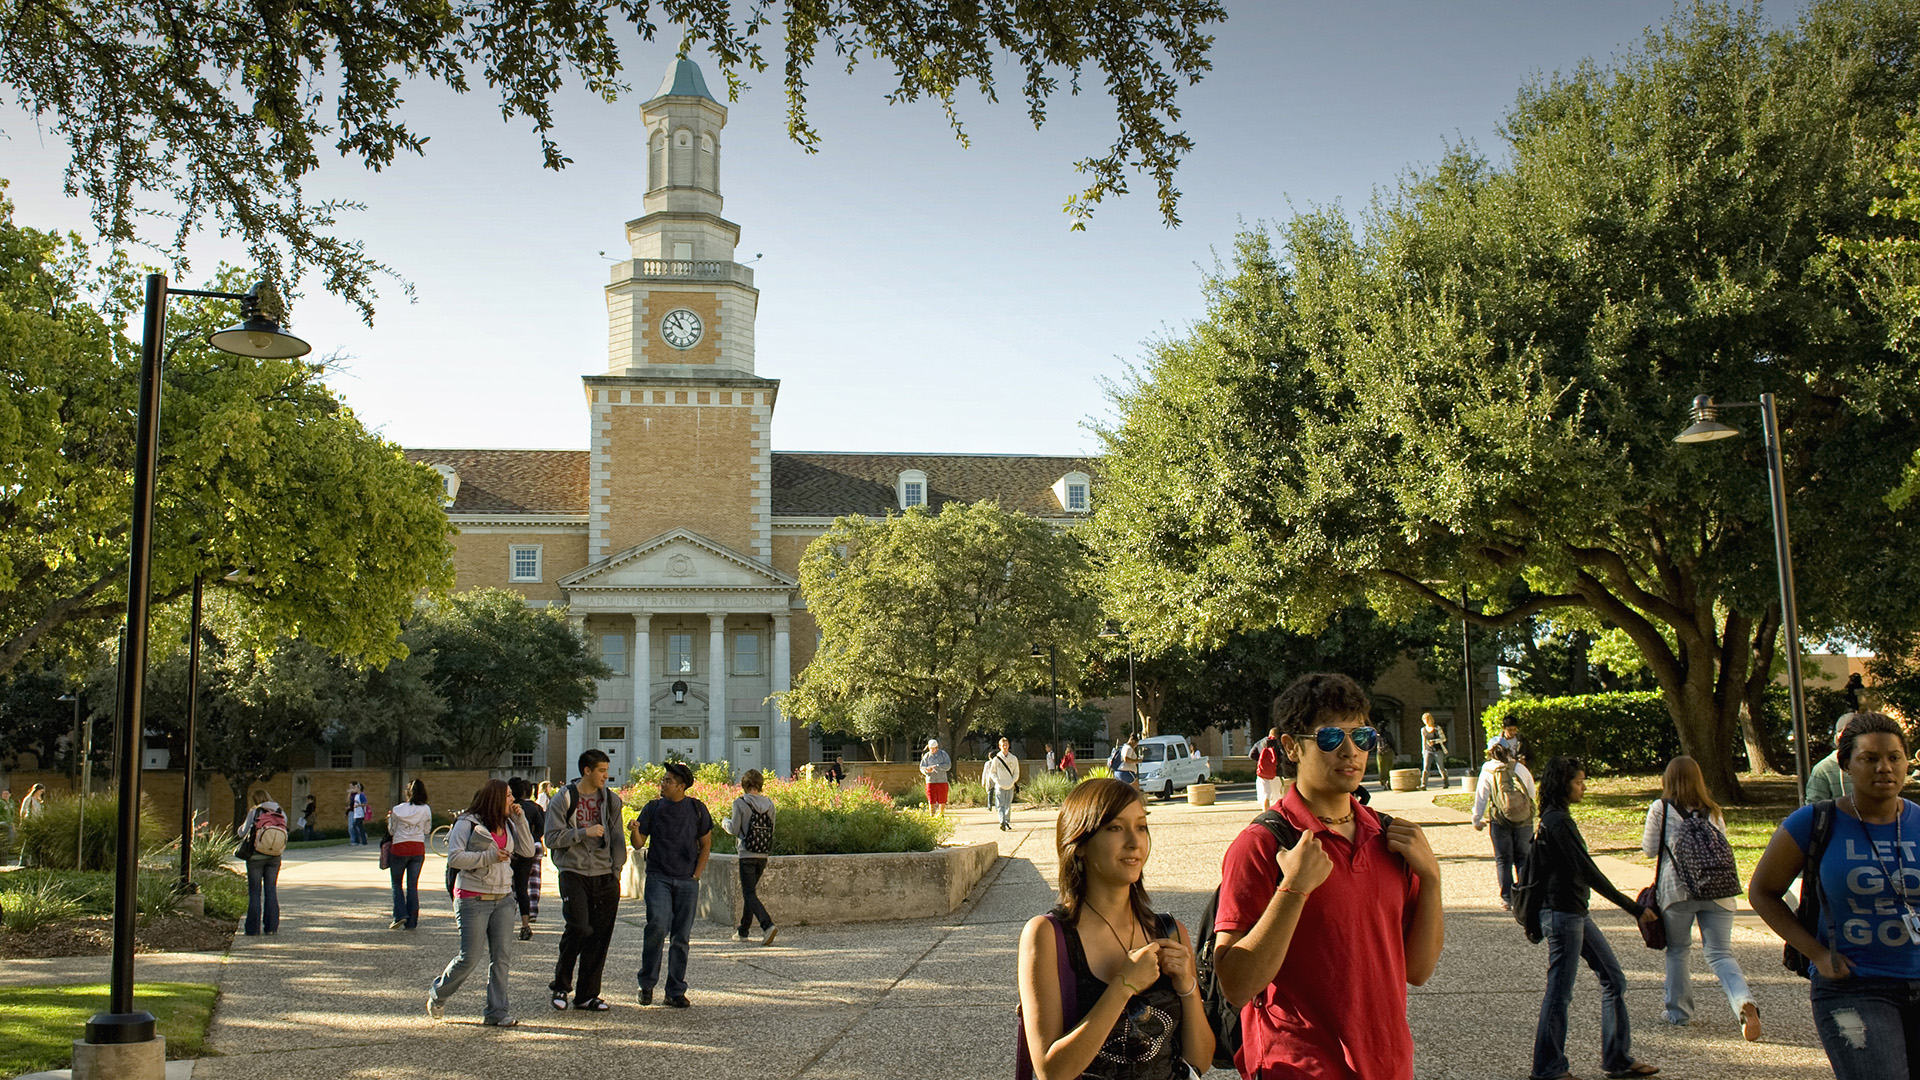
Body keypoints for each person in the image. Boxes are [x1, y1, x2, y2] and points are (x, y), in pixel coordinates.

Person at [1212, 673, 1444, 1080]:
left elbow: (1418, 970)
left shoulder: (1389, 840)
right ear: (1291, 747)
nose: (1350, 751)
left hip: (1389, 1064)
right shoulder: (1262, 846)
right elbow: (1235, 984)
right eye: (1331, 737)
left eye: (1363, 737)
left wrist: (1432, 878)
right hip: (1298, 1067)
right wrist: (1293, 889)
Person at [1751, 712, 1920, 1078]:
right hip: (1855, 988)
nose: (1885, 768)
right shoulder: (1813, 822)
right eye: (1869, 758)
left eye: (1894, 757)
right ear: (1845, 764)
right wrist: (1816, 952)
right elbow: (1762, 892)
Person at [1017, 777, 1214, 1078]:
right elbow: (1050, 1071)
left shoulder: (1170, 932)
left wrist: (1187, 986)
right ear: (1080, 843)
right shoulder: (1047, 936)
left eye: (1141, 827)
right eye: (1115, 828)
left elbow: (1198, 1062)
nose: (1134, 842)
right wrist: (1122, 987)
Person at [1531, 755, 1662, 1080]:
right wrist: (1632, 907)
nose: (1584, 786)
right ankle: (1547, 1068)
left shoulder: (1557, 818)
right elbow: (1588, 871)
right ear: (1564, 784)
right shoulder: (1558, 822)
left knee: (1614, 979)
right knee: (1559, 993)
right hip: (1563, 915)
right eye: (1578, 781)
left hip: (1574, 913)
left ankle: (1617, 1058)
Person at [1642, 755, 1758, 1040]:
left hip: (1676, 891)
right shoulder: (1713, 810)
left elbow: (1648, 849)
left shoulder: (1661, 808)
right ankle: (1743, 1001)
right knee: (1720, 953)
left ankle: (1678, 1013)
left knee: (1679, 950)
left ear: (1667, 780)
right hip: (1717, 891)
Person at [427, 779, 536, 1027]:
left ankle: (496, 1012)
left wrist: (520, 821)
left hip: (503, 899)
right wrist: (488, 856)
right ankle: (438, 993)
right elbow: (455, 858)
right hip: (472, 898)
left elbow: (528, 851)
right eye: (508, 796)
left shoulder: (509, 823)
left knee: (501, 958)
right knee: (469, 958)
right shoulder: (467, 823)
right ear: (495, 798)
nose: (513, 800)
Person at [546, 749, 628, 1012]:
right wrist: (583, 832)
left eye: (607, 770)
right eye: (602, 770)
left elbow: (617, 837)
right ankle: (561, 986)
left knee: (601, 935)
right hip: (574, 871)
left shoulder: (611, 800)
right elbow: (551, 838)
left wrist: (616, 870)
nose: (607, 775)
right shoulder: (564, 799)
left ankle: (587, 995)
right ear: (587, 771)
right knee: (579, 927)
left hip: (605, 874)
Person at [632, 760, 712, 1008]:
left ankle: (675, 990)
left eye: (668, 781)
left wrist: (696, 876)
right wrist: (634, 830)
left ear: (681, 786)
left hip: (686, 880)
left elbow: (706, 844)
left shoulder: (697, 809)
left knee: (681, 936)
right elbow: (637, 844)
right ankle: (646, 984)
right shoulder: (653, 808)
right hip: (659, 877)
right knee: (657, 925)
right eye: (663, 780)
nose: (663, 784)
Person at [1472, 742, 1536, 909]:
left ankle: (1507, 898)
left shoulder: (1488, 769)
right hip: (1524, 819)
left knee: (1503, 859)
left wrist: (1477, 819)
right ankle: (1524, 895)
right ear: (1508, 751)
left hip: (1500, 819)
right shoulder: (1520, 768)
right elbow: (1531, 792)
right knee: (1523, 857)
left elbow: (1481, 797)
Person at [722, 768, 777, 945]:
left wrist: (725, 823)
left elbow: (735, 830)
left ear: (744, 785)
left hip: (746, 853)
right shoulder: (770, 804)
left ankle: (767, 925)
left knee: (748, 892)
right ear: (760, 785)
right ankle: (743, 931)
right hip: (763, 853)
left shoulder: (740, 803)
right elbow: (772, 829)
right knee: (750, 892)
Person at [237, 788, 285, 936]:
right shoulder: (280, 811)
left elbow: (243, 832)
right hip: (275, 856)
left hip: (256, 857)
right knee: (271, 890)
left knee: (255, 892)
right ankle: (271, 927)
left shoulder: (255, 811)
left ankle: (252, 929)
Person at [387, 779, 432, 930]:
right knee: (412, 886)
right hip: (417, 847)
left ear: (407, 793)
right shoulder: (426, 809)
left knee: (396, 883)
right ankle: (412, 920)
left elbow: (392, 831)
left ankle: (400, 914)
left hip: (400, 846)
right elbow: (427, 830)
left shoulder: (397, 809)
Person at [507, 777, 546, 941]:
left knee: (508, 887)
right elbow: (542, 827)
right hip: (530, 849)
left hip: (509, 850)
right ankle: (528, 918)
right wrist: (532, 838)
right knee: (528, 883)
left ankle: (506, 920)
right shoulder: (534, 807)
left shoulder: (508, 808)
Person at [1805, 714, 1857, 804]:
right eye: (1848, 735)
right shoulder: (1823, 769)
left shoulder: (1876, 766)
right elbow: (1814, 809)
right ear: (1838, 738)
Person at [984, 736, 1021, 832]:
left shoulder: (1013, 759)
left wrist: (1013, 780)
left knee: (1008, 804)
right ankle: (1002, 821)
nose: (1005, 746)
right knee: (1000, 805)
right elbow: (992, 772)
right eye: (1002, 745)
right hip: (1000, 785)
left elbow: (1016, 772)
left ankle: (1006, 820)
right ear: (1000, 746)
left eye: (1006, 745)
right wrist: (997, 781)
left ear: (1008, 746)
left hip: (1010, 785)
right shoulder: (996, 759)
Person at [920, 738, 953, 816]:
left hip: (942, 781)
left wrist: (937, 767)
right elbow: (922, 767)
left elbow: (948, 766)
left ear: (937, 747)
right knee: (931, 800)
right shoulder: (926, 756)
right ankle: (932, 815)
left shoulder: (943, 754)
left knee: (942, 800)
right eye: (931, 748)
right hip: (930, 781)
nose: (933, 750)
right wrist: (926, 770)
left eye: (934, 748)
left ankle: (941, 815)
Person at [1419, 712, 1449, 788]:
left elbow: (1444, 739)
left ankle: (1446, 782)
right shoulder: (1423, 730)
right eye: (1424, 720)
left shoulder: (1437, 728)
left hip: (1437, 750)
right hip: (1428, 750)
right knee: (1425, 768)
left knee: (1441, 767)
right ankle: (1423, 784)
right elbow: (1424, 740)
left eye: (1427, 719)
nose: (1426, 721)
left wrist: (1434, 741)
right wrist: (1423, 750)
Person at [1254, 726, 1281, 809]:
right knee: (1277, 796)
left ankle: (1266, 814)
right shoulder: (1279, 743)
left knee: (1265, 795)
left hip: (1263, 772)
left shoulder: (1260, 743)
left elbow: (1251, 754)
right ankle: (1277, 813)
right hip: (1275, 773)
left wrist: (1260, 761)